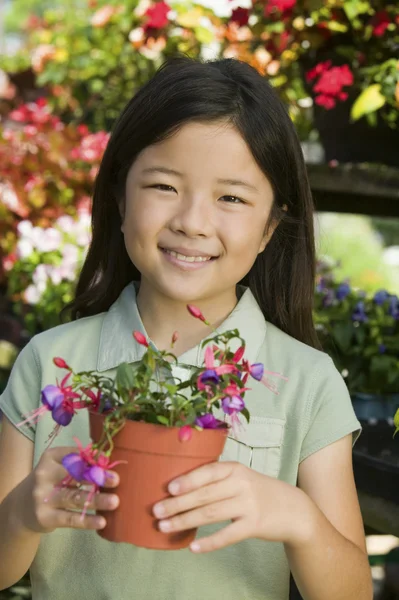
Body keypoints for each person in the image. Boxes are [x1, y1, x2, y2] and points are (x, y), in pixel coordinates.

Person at [0, 56, 372, 600]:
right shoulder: (50, 361)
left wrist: (300, 518)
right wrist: (21, 513)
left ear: (271, 227)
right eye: (164, 186)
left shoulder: (307, 382)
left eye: (231, 197)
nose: (193, 222)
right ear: (120, 198)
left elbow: (353, 593)